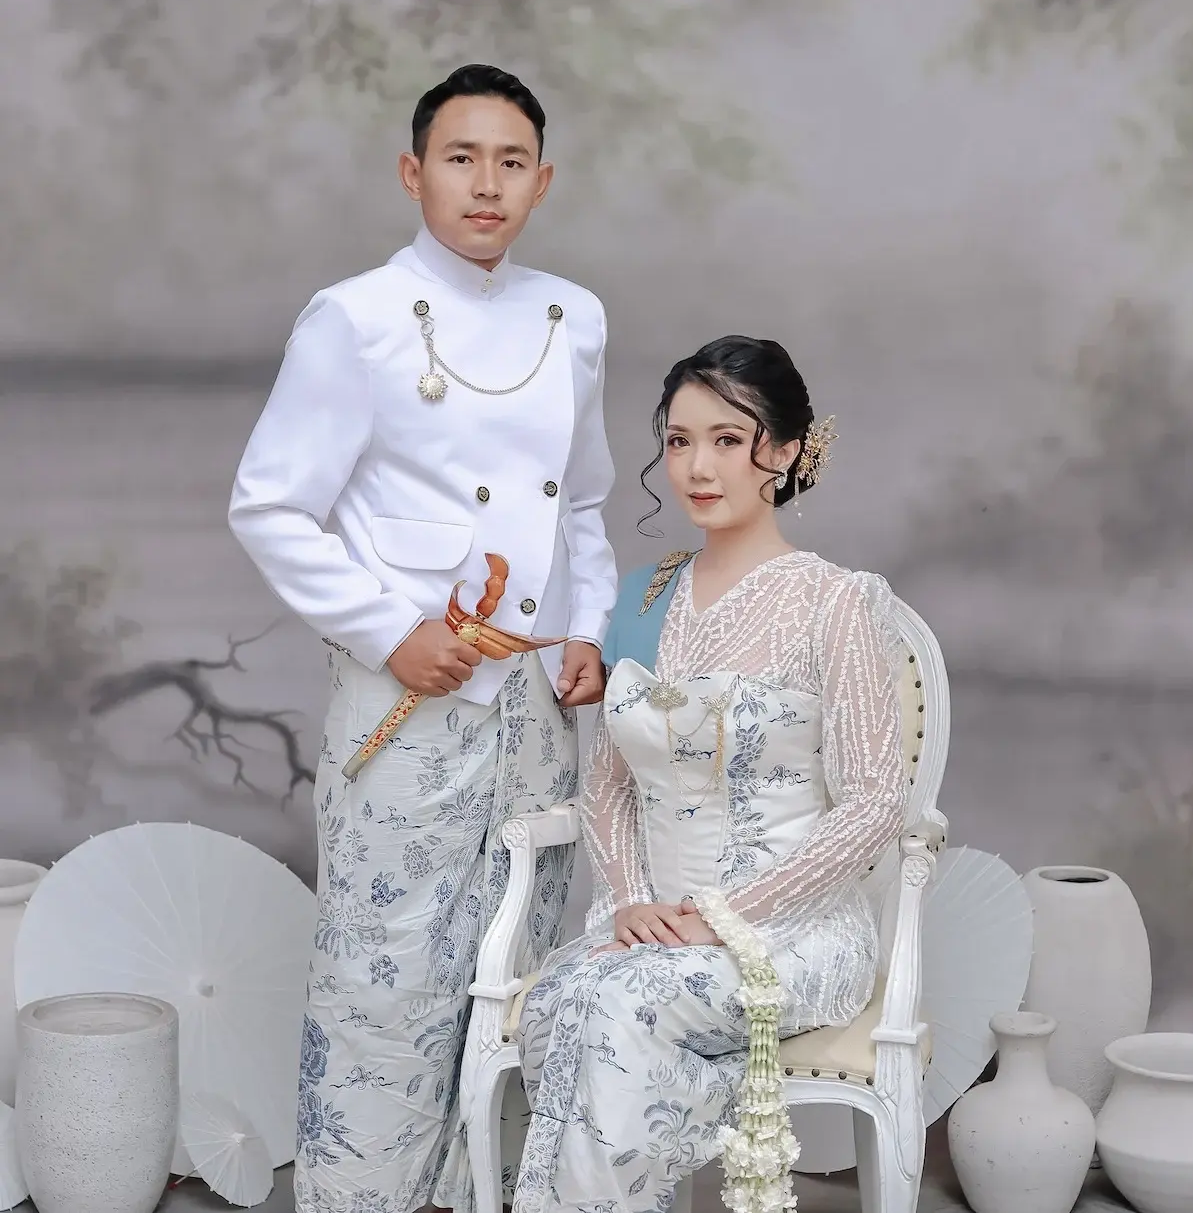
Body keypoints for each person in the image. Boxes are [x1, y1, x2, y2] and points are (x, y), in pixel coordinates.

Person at [227, 63, 617, 1213]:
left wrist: (586, 631)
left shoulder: (576, 319)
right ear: (413, 173)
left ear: (543, 181)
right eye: (461, 159)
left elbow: (584, 502)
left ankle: (483, 1193)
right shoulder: (353, 318)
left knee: (518, 970)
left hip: (535, 709)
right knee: (382, 976)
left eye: (511, 163)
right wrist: (390, 629)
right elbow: (269, 504)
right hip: (406, 701)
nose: (486, 185)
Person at [511, 335, 909, 1213]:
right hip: (657, 923)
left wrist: (724, 917)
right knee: (561, 998)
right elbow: (610, 782)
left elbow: (876, 799)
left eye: (729, 440)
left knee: (617, 1008)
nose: (697, 467)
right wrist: (629, 901)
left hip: (792, 929)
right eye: (680, 440)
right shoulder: (643, 597)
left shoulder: (834, 600)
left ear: (788, 451)